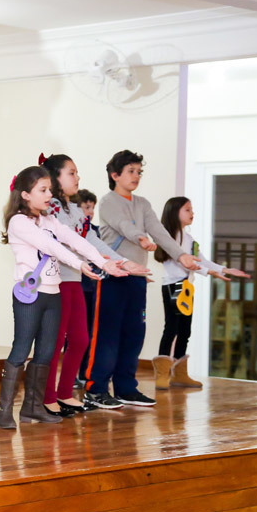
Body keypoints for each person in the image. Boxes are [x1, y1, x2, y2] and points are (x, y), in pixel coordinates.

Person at [0, 166, 126, 429]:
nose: (49, 195)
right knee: (21, 349)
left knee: (46, 352)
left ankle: (32, 408)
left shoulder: (49, 220)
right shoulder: (18, 222)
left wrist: (103, 262)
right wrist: (80, 265)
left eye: (49, 190)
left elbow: (75, 240)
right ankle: (4, 411)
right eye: (42, 190)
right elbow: (51, 246)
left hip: (53, 293)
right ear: (25, 195)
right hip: (30, 295)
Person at [84, 150, 198, 410]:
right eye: (131, 171)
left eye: (139, 172)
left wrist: (181, 255)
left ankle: (126, 388)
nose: (136, 176)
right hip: (112, 277)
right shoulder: (108, 201)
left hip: (137, 278)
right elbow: (124, 225)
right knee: (107, 335)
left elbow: (160, 231)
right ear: (115, 175)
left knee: (134, 334)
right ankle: (96, 389)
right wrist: (141, 238)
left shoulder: (143, 203)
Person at [40, 155, 148, 417]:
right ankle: (47, 397)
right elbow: (71, 244)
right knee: (54, 342)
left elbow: (92, 241)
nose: (77, 177)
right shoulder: (49, 209)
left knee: (80, 340)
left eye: (77, 172)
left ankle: (65, 393)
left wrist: (122, 261)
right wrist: (106, 263)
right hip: (55, 282)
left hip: (75, 281)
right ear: (55, 177)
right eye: (71, 173)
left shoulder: (75, 210)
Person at [153, 196, 249, 389]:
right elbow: (184, 263)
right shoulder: (168, 238)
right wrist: (209, 272)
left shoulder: (189, 238)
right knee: (171, 329)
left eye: (192, 209)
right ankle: (162, 374)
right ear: (174, 213)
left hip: (186, 288)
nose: (192, 213)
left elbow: (201, 260)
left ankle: (180, 374)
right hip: (173, 286)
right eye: (187, 210)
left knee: (185, 331)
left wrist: (224, 269)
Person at [73, 189, 100, 390]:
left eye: (92, 208)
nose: (90, 212)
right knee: (75, 332)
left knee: (90, 332)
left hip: (93, 287)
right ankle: (73, 373)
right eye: (86, 207)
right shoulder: (72, 230)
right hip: (77, 285)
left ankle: (85, 372)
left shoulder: (95, 231)